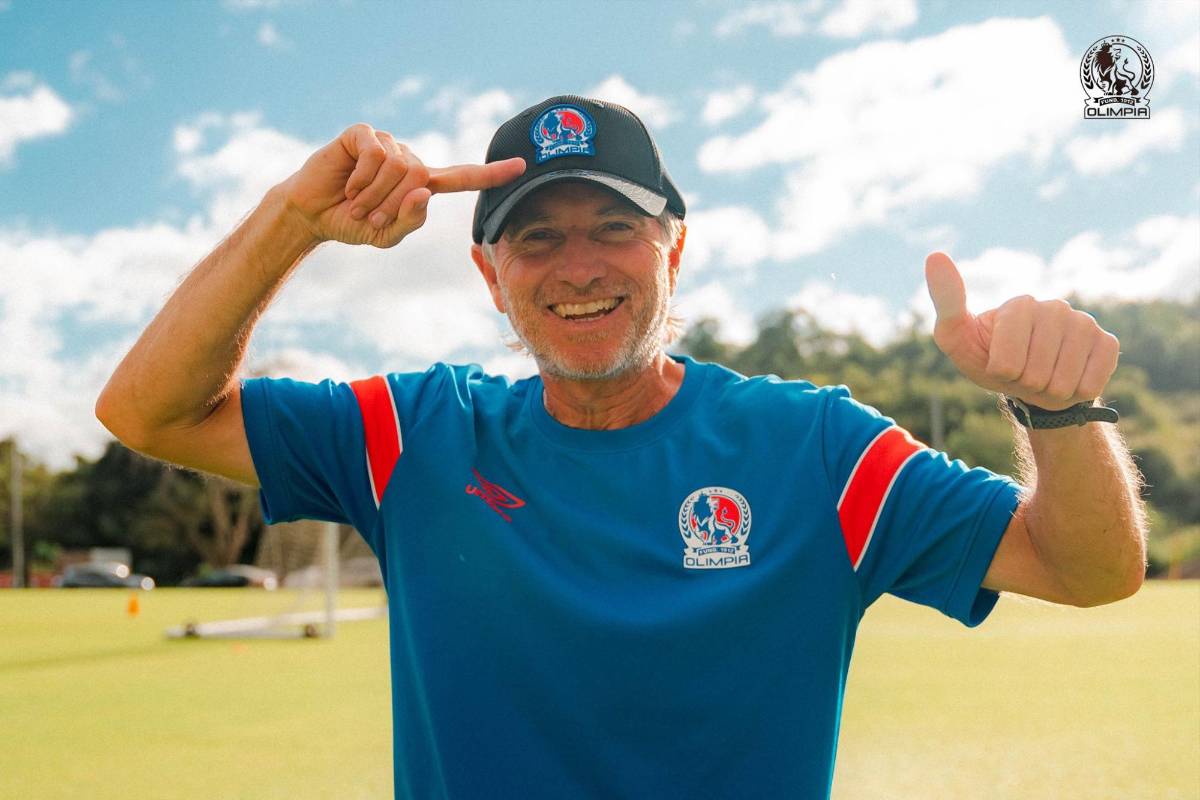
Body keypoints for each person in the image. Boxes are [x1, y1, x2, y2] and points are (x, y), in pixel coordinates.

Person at [96, 95, 1147, 799]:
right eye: (537, 237)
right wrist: (292, 220)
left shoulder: (816, 447)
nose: (578, 266)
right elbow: (148, 412)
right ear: (491, 275)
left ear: (674, 249)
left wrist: (1059, 412)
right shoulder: (412, 435)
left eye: (614, 227)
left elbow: (1088, 567)